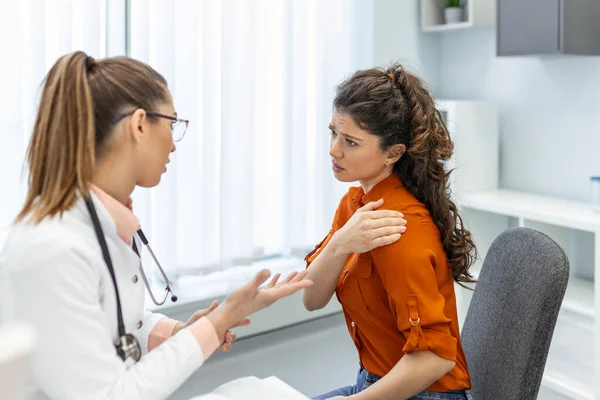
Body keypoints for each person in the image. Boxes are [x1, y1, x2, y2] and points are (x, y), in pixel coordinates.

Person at [0, 51, 316, 400]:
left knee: (261, 391)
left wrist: (183, 331)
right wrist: (218, 321)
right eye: (172, 124)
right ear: (138, 124)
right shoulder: (51, 248)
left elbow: (113, 320)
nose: (173, 145)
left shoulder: (100, 223)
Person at [302, 63, 477, 400]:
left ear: (393, 153)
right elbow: (312, 299)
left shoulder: (400, 227)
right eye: (333, 133)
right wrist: (339, 244)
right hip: (375, 381)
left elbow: (436, 358)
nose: (333, 150)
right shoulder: (354, 205)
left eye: (351, 142)